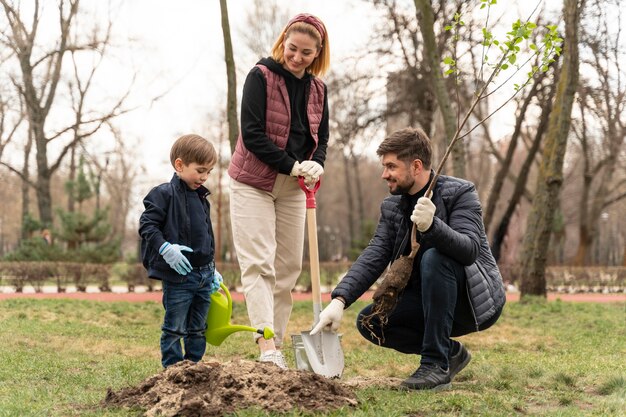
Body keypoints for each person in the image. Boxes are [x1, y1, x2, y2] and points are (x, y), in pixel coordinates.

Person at [311, 127, 506, 390]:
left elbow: (469, 250)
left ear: (416, 166)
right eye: (384, 166)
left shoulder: (460, 192)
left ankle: (435, 364)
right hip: (425, 300)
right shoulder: (392, 206)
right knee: (372, 322)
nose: (384, 174)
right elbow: (376, 254)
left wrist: (432, 226)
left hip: (469, 301)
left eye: (391, 166)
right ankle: (450, 352)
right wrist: (340, 299)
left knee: (435, 258)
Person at [228, 13, 331, 369]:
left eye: (306, 52)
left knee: (287, 268)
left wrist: (317, 163)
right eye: (292, 49)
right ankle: (266, 346)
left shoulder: (319, 89)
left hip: (295, 186)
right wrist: (291, 164)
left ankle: (279, 348)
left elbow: (322, 138)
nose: (297, 57)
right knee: (259, 264)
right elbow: (252, 134)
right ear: (283, 42)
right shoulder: (261, 77)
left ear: (317, 53)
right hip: (253, 181)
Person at [139, 134, 223, 368]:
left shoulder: (202, 198)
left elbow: (206, 236)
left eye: (210, 171)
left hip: (204, 276)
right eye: (200, 170)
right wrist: (165, 248)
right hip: (179, 277)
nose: (205, 177)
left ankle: (194, 368)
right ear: (179, 165)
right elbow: (147, 225)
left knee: (198, 328)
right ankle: (173, 373)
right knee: (175, 328)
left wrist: (212, 268)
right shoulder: (163, 194)